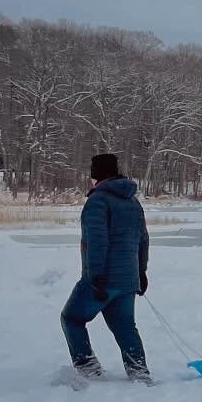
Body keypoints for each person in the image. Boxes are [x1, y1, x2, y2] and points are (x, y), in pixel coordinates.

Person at [60, 153, 152, 383]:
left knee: (71, 318)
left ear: (97, 173)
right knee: (125, 326)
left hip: (103, 278)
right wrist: (141, 271)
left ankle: (88, 370)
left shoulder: (98, 201)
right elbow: (143, 239)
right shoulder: (133, 202)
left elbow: (96, 242)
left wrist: (96, 275)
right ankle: (139, 374)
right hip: (128, 279)